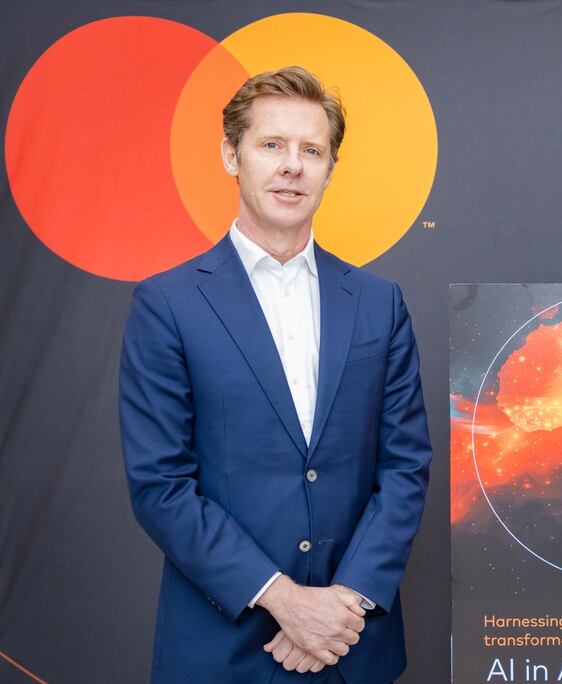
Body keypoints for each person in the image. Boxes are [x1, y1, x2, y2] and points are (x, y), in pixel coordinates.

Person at [119, 66, 431, 683]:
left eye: (311, 151)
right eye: (271, 145)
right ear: (230, 156)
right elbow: (161, 485)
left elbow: (405, 466)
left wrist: (342, 607)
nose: (293, 166)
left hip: (352, 646)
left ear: (330, 169)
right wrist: (286, 602)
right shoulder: (167, 304)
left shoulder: (379, 303)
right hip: (222, 651)